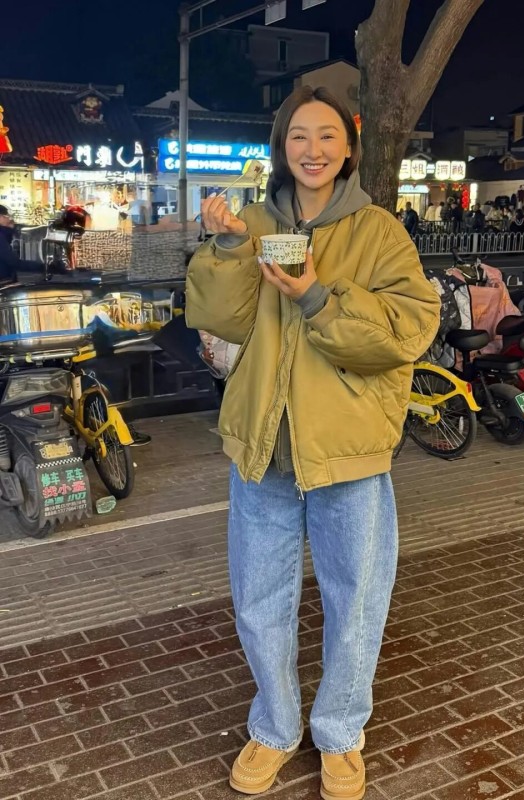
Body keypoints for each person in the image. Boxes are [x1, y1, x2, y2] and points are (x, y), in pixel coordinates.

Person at [185, 85, 440, 800]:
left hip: (348, 450)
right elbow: (218, 319)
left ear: (348, 149)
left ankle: (340, 733)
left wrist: (318, 298)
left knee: (356, 600)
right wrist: (227, 245)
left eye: (327, 135)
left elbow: (407, 329)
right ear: (281, 146)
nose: (313, 149)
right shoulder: (254, 220)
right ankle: (274, 727)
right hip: (263, 444)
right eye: (299, 135)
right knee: (258, 598)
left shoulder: (378, 231)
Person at [0, 205, 47, 282]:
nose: (9, 219)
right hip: (3, 281)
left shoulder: (5, 235)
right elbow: (13, 262)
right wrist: (43, 267)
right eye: (6, 216)